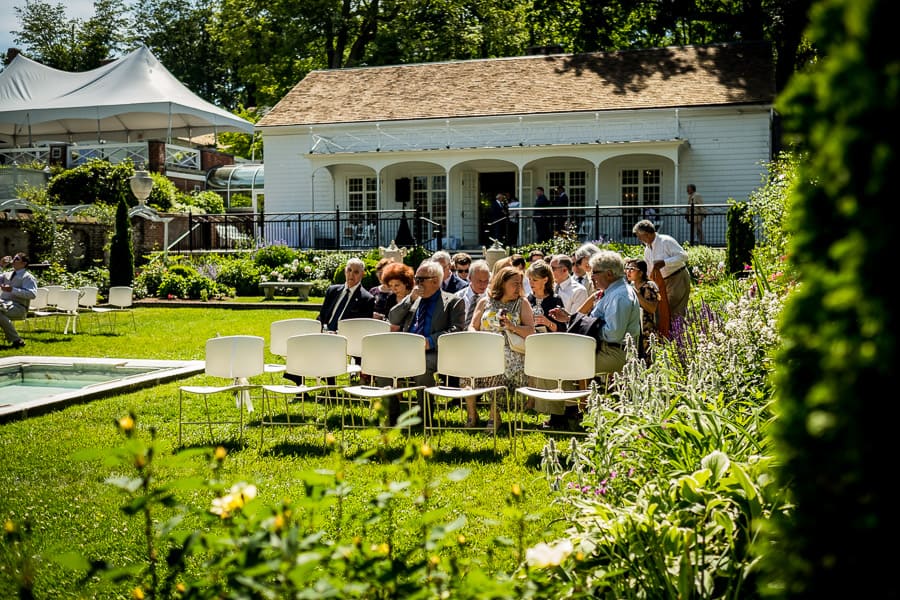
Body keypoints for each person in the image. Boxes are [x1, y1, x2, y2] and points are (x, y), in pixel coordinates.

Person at [388, 260, 466, 425]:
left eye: (420, 279)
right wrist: (410, 298)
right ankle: (391, 417)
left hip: (434, 352)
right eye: (416, 279)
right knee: (384, 366)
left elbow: (456, 330)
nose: (416, 283)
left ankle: (425, 417)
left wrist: (430, 342)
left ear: (435, 281)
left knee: (422, 368)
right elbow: (393, 318)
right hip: (406, 348)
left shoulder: (453, 302)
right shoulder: (414, 300)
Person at [550, 250, 641, 378]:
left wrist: (587, 328)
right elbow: (595, 322)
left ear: (609, 274)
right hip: (604, 349)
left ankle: (568, 397)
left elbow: (613, 334)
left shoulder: (619, 296)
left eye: (594, 272)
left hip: (613, 353)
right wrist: (570, 318)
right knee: (553, 356)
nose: (591, 276)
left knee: (557, 364)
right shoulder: (613, 291)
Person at [468, 266, 535, 430]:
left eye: (520, 284)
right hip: (484, 347)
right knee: (467, 368)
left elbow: (531, 331)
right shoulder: (485, 301)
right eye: (514, 283)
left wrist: (512, 326)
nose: (518, 288)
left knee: (499, 365)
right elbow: (472, 326)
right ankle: (472, 414)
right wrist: (477, 336)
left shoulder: (522, 303)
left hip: (511, 352)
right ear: (502, 283)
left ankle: (494, 416)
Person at [632, 219, 691, 320]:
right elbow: (649, 270)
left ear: (647, 234)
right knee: (664, 311)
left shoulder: (665, 241)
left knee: (675, 311)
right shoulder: (647, 250)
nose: (639, 239)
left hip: (677, 277)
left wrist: (664, 262)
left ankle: (677, 334)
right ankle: (669, 334)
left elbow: (684, 256)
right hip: (662, 282)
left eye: (639, 236)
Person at [318, 258, 375, 332]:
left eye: (356, 272)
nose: (351, 274)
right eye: (349, 270)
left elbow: (361, 328)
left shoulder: (367, 299)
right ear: (345, 271)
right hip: (324, 335)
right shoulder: (332, 291)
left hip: (345, 338)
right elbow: (322, 316)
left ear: (362, 274)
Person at [624, 257, 661, 361]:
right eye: (627, 268)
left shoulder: (649, 286)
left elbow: (652, 308)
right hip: (633, 329)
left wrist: (637, 295)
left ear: (640, 273)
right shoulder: (629, 286)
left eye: (632, 269)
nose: (628, 272)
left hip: (647, 331)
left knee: (648, 359)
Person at [0, 253, 38, 349]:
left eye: (16, 259)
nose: (13, 260)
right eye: (13, 258)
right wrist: (1, 265)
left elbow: (32, 294)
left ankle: (16, 340)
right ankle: (16, 340)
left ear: (24, 263)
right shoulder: (7, 274)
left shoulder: (28, 277)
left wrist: (12, 290)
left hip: (19, 308)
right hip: (4, 304)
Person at [526, 260, 565, 334]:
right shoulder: (527, 299)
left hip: (549, 342)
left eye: (535, 280)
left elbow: (562, 329)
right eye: (529, 279)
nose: (531, 283)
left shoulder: (555, 299)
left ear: (545, 280)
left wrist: (547, 323)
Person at [456, 259, 491, 329]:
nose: (483, 284)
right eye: (480, 281)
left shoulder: (491, 299)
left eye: (486, 281)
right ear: (470, 278)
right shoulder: (458, 297)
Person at [380, 261, 415, 329]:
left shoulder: (414, 297)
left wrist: (399, 327)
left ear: (406, 283)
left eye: (397, 285)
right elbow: (388, 318)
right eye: (390, 285)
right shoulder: (391, 298)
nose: (393, 289)